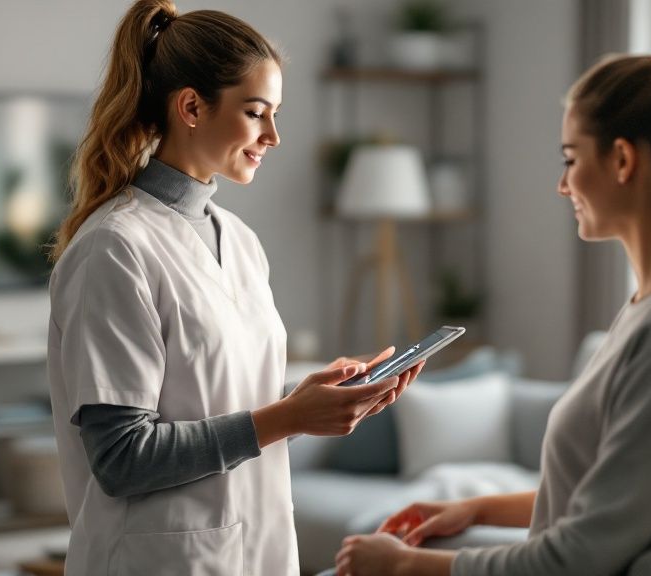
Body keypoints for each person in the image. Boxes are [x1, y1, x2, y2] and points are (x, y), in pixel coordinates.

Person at [334, 28, 651, 576]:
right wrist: (474, 508)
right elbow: (614, 502)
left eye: (570, 158)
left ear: (623, 161)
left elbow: (578, 558)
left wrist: (403, 567)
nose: (562, 185)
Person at [46, 2, 422, 575]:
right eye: (256, 113)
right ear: (192, 106)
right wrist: (289, 417)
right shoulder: (115, 248)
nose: (274, 135)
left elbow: (221, 404)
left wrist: (308, 401)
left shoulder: (239, 241)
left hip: (257, 549)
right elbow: (121, 458)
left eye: (275, 114)